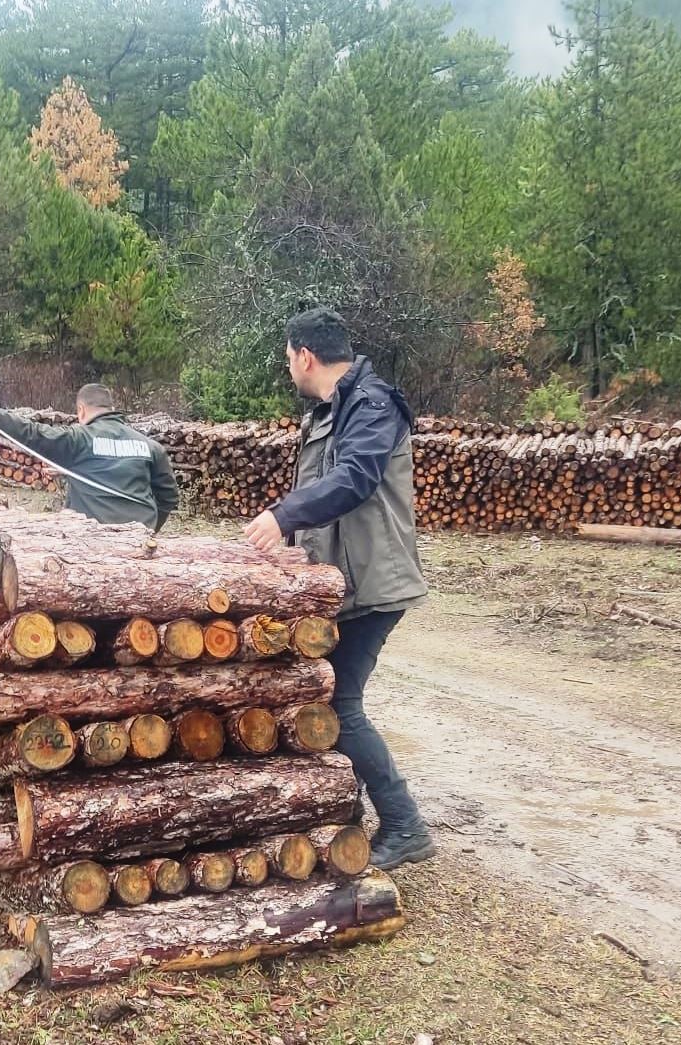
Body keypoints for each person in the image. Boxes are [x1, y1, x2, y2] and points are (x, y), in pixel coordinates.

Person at [243, 306, 435, 870]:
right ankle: (338, 811)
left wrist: (283, 515)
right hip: (336, 583)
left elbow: (353, 479)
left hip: (375, 583)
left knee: (339, 700)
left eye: (288, 361)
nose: (289, 372)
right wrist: (292, 543)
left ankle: (404, 825)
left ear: (306, 356)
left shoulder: (372, 405)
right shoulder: (329, 410)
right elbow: (324, 489)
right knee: (317, 694)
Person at [0, 383, 179, 531]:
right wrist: (148, 526)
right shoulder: (149, 446)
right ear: (112, 409)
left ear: (81, 410)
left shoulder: (79, 439)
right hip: (140, 541)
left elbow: (31, 433)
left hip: (90, 542)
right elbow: (168, 497)